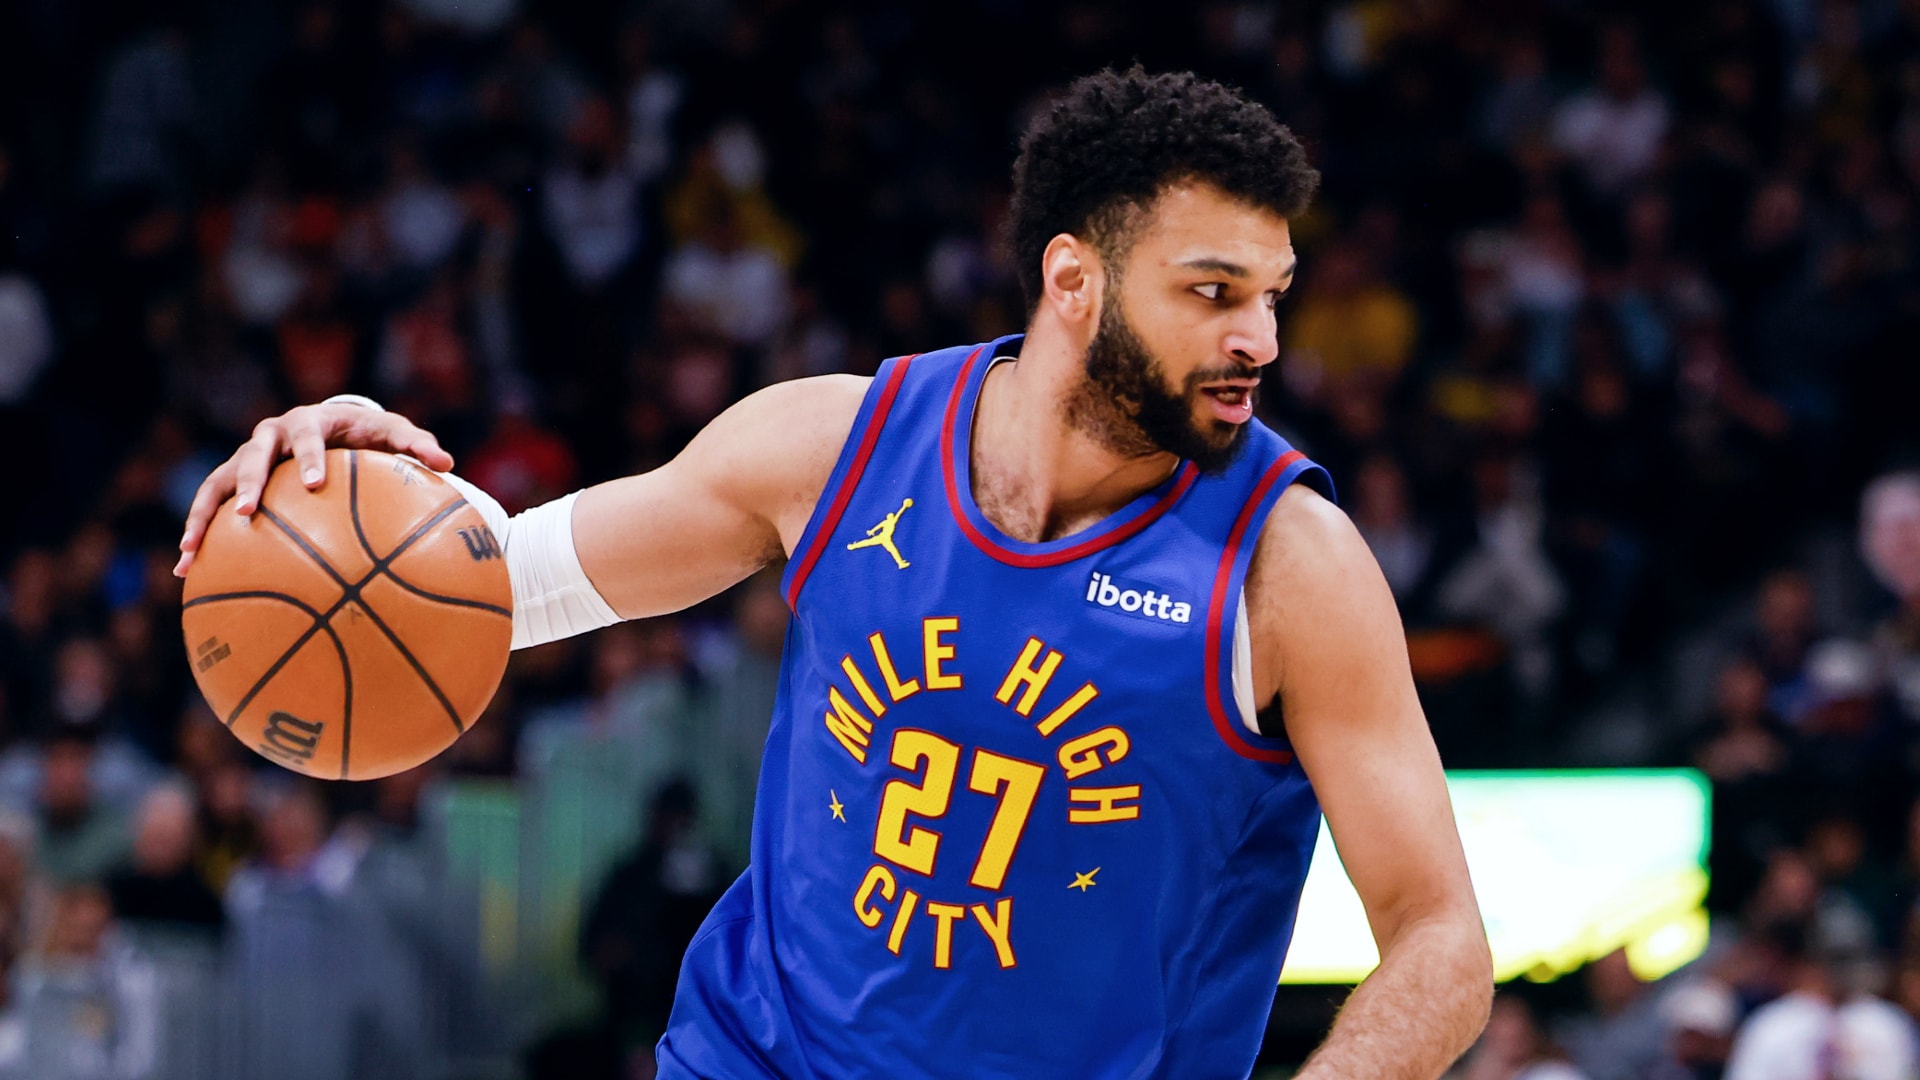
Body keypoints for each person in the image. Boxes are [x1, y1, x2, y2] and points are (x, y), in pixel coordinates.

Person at [175, 68, 1492, 1078]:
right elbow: (493, 587)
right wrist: (362, 490)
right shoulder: (836, 445)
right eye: (1213, 292)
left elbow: (1441, 938)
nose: (1260, 338)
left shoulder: (1288, 566)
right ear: (1075, 280)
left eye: (1272, 295)